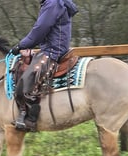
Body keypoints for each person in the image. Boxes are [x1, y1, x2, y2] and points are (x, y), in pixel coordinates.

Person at [10, 0, 78, 132]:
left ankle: (31, 119)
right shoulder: (52, 3)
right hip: (49, 47)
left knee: (28, 78)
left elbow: (40, 29)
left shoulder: (53, 3)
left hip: (54, 50)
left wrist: (21, 45)